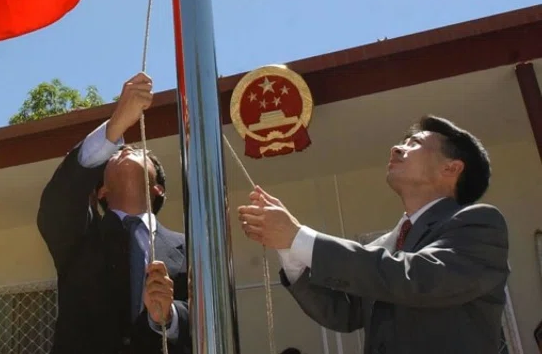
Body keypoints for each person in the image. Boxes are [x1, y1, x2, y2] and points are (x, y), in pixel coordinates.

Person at [237, 115, 509, 354]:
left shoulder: (478, 223)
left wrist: (299, 237)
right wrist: (289, 250)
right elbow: (344, 315)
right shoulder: (382, 246)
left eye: (415, 143)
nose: (397, 148)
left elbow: (417, 278)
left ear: (451, 168)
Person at [38, 72, 191, 354]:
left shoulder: (190, 246)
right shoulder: (80, 237)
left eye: (139, 152)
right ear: (102, 192)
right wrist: (117, 123)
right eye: (116, 154)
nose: (127, 148)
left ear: (157, 188)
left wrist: (168, 318)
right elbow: (58, 201)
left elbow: (205, 317)